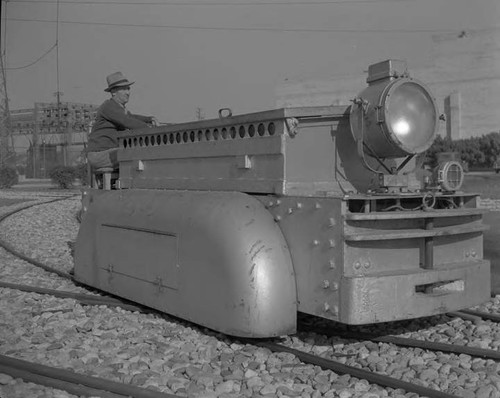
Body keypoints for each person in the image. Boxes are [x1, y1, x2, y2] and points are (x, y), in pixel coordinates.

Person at [86, 71, 157, 169]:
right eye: (123, 89)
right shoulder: (108, 106)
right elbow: (127, 121)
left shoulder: (119, 109)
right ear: (113, 92)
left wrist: (149, 119)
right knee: (137, 152)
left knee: (140, 150)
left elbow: (131, 117)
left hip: (111, 152)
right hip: (100, 154)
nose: (127, 93)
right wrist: (153, 130)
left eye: (128, 88)